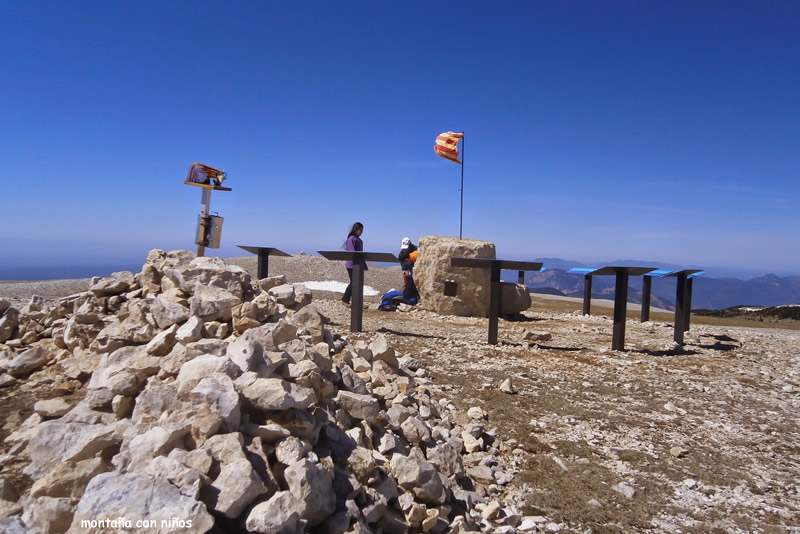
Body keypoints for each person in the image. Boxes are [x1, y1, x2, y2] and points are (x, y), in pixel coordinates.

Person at [342, 222, 367, 305]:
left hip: (358, 265)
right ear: (356, 229)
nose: (362, 232)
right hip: (352, 265)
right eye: (360, 230)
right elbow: (352, 253)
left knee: (357, 283)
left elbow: (361, 254)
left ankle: (356, 302)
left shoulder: (360, 240)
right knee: (354, 283)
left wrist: (364, 264)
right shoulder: (351, 239)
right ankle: (346, 300)